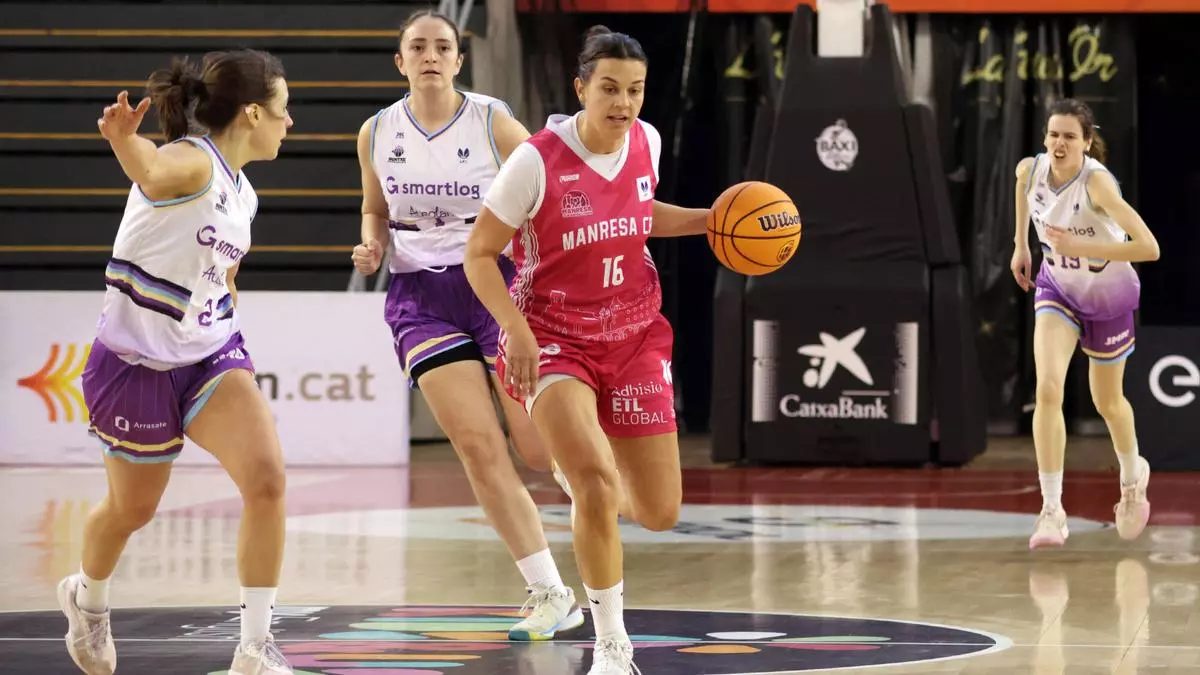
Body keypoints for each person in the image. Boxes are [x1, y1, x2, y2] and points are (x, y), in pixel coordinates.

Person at [464, 25, 711, 675]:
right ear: (581, 89)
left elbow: (639, 214)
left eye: (635, 90)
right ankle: (612, 645)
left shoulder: (646, 140)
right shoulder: (535, 161)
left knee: (659, 510)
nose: (623, 102)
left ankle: (580, 473)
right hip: (552, 337)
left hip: (634, 333)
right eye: (609, 88)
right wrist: (515, 329)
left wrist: (710, 221)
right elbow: (479, 254)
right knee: (597, 487)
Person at [349, 10, 583, 641]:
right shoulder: (376, 131)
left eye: (442, 46)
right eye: (417, 47)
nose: (430, 55)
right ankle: (550, 592)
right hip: (420, 297)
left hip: (495, 285)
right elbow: (374, 208)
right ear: (400, 61)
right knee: (478, 447)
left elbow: (547, 185)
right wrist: (372, 245)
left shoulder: (492, 120)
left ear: (459, 59)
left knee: (534, 447)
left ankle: (593, 484)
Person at [60, 50, 296, 674]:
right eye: (283, 109)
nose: (290, 122)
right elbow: (151, 168)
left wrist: (225, 309)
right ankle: (87, 597)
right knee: (132, 510)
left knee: (267, 480)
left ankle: (255, 649)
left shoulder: (244, 194)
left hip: (210, 354)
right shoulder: (194, 162)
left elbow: (222, 270)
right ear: (253, 113)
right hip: (133, 364)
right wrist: (123, 141)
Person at [1011, 98, 1160, 550]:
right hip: (1057, 288)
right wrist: (1021, 246)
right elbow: (1022, 188)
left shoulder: (1097, 185)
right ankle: (1052, 510)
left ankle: (1132, 478)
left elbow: (1149, 248)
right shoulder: (1030, 171)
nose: (1059, 143)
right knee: (1047, 390)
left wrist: (1081, 245)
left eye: (1070, 137)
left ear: (1087, 142)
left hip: (1107, 294)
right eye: (1053, 134)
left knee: (1107, 401)